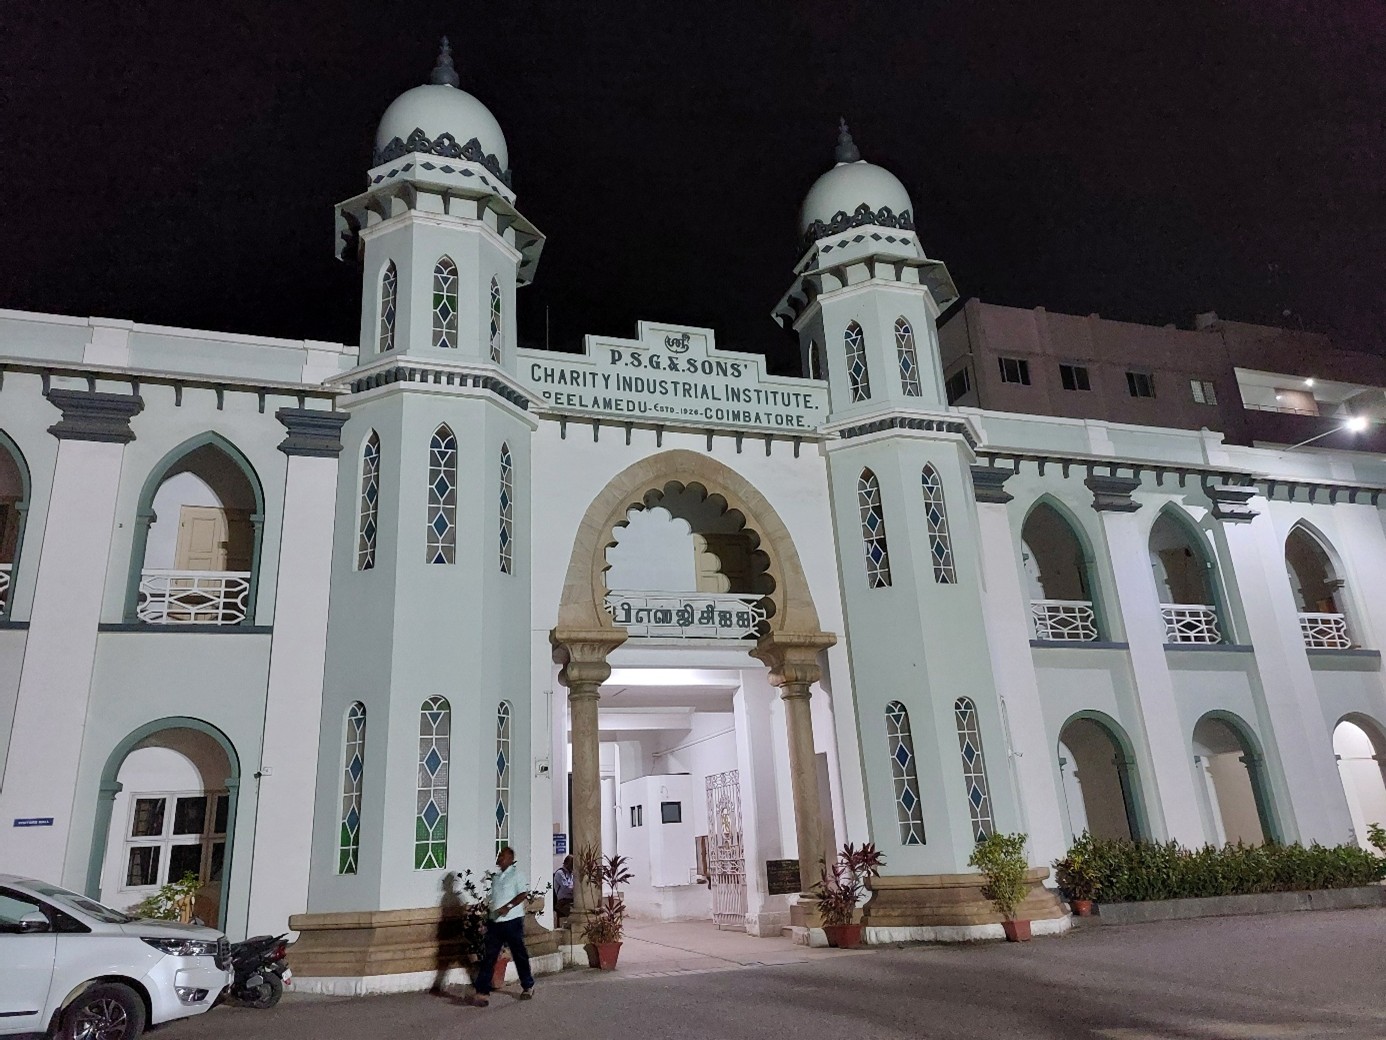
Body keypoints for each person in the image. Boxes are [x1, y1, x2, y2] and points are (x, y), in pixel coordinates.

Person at [469, 845, 535, 1006]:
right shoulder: (496, 878)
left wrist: (509, 907)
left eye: (503, 856)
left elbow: (523, 894)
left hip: (512, 921)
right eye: (499, 856)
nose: (499, 858)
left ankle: (527, 985)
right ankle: (482, 992)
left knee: (519, 954)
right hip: (496, 922)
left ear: (511, 859)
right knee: (489, 956)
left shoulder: (517, 875)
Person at [552, 855, 575, 922]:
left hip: (571, 900)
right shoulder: (560, 873)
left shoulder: (571, 874)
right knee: (574, 914)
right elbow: (566, 888)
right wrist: (575, 890)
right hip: (563, 902)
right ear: (567, 863)